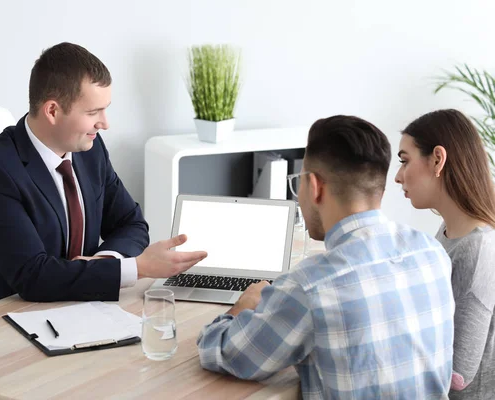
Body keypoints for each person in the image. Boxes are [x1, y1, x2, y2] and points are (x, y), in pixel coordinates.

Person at [198, 115, 455, 398]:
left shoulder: (311, 286)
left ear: (315, 187)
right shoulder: (432, 253)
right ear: (379, 188)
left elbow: (226, 353)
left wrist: (242, 307)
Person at [0, 42, 207, 314]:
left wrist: (102, 261)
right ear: (52, 111)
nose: (104, 123)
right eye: (92, 113)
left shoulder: (90, 149)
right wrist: (137, 267)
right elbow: (32, 276)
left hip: (77, 309)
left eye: (105, 109)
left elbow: (130, 223)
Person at [395, 109, 495, 399]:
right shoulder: (451, 230)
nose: (398, 177)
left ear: (438, 159)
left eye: (404, 161)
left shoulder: (479, 249)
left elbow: (459, 374)